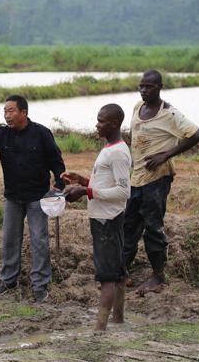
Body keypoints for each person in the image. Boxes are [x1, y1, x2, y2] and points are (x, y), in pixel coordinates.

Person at [0, 95, 65, 302]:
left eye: (11, 111)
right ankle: (8, 280)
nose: (7, 115)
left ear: (24, 113)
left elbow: (56, 161)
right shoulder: (2, 134)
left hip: (37, 197)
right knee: (9, 240)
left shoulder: (42, 134)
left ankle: (40, 285)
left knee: (39, 241)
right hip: (13, 197)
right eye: (5, 111)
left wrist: (59, 185)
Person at [124, 69, 199, 296]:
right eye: (141, 86)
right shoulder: (137, 108)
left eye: (148, 87)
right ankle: (123, 271)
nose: (143, 90)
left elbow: (196, 135)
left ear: (159, 87)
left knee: (153, 227)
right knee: (129, 225)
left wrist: (166, 154)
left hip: (157, 179)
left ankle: (158, 277)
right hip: (137, 177)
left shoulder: (169, 114)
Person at [62, 103, 131, 331]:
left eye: (101, 121)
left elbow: (123, 192)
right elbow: (106, 185)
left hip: (107, 221)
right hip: (107, 218)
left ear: (114, 123)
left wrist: (85, 192)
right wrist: (81, 181)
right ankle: (118, 320)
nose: (97, 124)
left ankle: (99, 329)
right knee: (117, 272)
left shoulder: (119, 153)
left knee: (107, 276)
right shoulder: (110, 149)